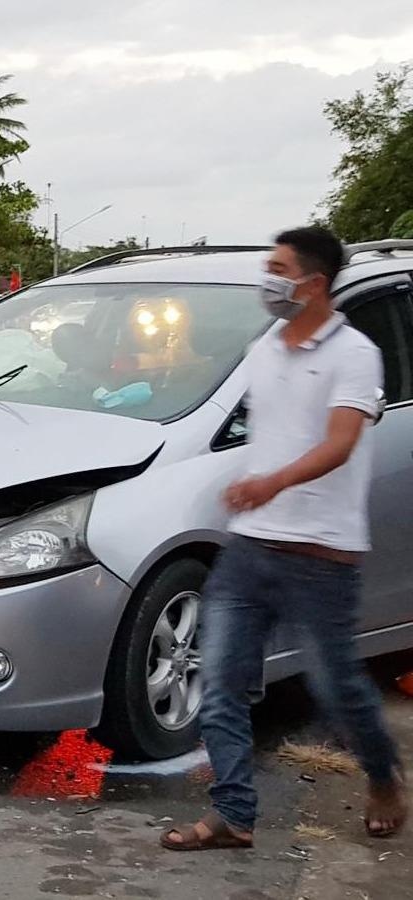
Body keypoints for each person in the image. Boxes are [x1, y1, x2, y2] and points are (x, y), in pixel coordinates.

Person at [160, 226, 405, 852]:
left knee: (338, 689)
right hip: (249, 551)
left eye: (278, 267)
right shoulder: (267, 343)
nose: (267, 279)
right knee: (220, 685)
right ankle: (234, 814)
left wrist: (270, 483)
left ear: (314, 282)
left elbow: (341, 441)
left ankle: (383, 777)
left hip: (320, 555)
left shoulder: (354, 353)